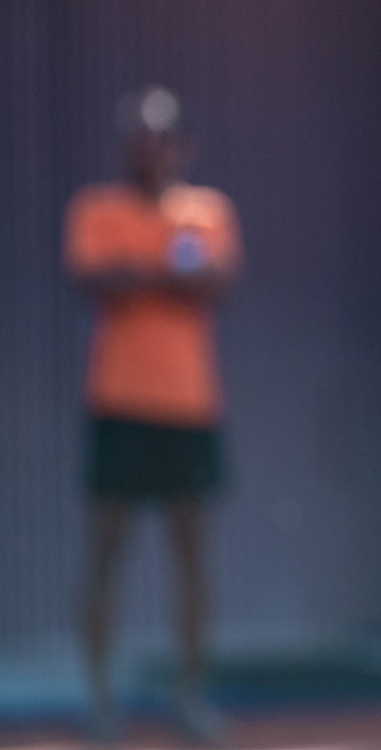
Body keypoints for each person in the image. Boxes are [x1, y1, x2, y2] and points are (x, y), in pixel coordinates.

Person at [65, 87, 241, 745]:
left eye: (160, 137)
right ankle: (100, 698)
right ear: (124, 147)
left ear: (182, 145)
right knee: (106, 554)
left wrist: (138, 275)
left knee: (191, 559)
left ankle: (190, 698)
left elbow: (215, 283)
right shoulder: (95, 209)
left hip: (190, 409)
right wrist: (164, 274)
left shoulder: (208, 211)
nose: (149, 148)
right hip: (117, 405)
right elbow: (93, 281)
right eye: (137, 137)